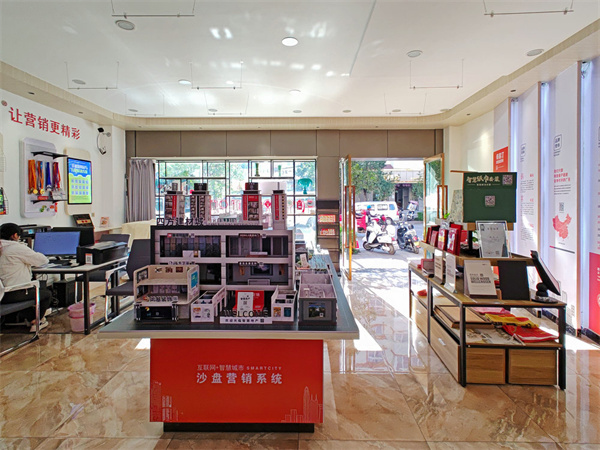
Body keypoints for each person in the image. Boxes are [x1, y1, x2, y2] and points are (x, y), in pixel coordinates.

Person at [0, 223, 52, 331]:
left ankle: (29, 317)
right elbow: (42, 260)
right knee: (46, 294)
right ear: (15, 235)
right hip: (13, 293)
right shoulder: (16, 248)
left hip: (2, 295)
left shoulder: (3, 247)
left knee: (37, 289)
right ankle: (36, 321)